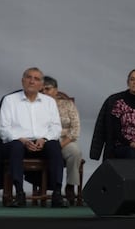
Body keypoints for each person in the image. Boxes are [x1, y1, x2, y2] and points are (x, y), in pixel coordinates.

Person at [0, 67, 68, 208]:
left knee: (54, 145)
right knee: (16, 146)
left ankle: (57, 194)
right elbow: (4, 129)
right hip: (18, 142)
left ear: (41, 84)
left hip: (42, 143)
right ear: (22, 81)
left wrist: (44, 139)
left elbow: (56, 127)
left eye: (36, 79)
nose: (32, 81)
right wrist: (23, 140)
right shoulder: (9, 100)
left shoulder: (49, 102)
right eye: (28, 77)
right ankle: (19, 194)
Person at [91, 68, 135, 160]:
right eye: (132, 79)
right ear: (128, 82)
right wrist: (130, 144)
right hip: (123, 145)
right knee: (130, 153)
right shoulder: (119, 103)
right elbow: (116, 131)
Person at [41, 76, 83, 206]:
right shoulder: (37, 106)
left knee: (75, 152)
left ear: (56, 90)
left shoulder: (67, 104)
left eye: (47, 89)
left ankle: (70, 185)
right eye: (41, 90)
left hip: (65, 140)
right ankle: (50, 189)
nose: (44, 93)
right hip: (45, 142)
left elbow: (75, 129)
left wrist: (60, 145)